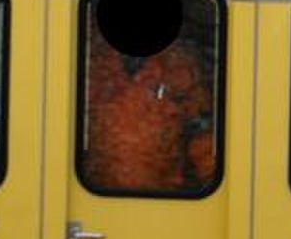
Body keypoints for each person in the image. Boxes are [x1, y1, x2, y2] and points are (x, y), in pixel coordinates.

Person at [83, 37, 215, 193]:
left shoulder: (180, 67)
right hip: (96, 201)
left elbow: (202, 136)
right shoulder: (89, 59)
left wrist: (212, 189)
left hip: (164, 201)